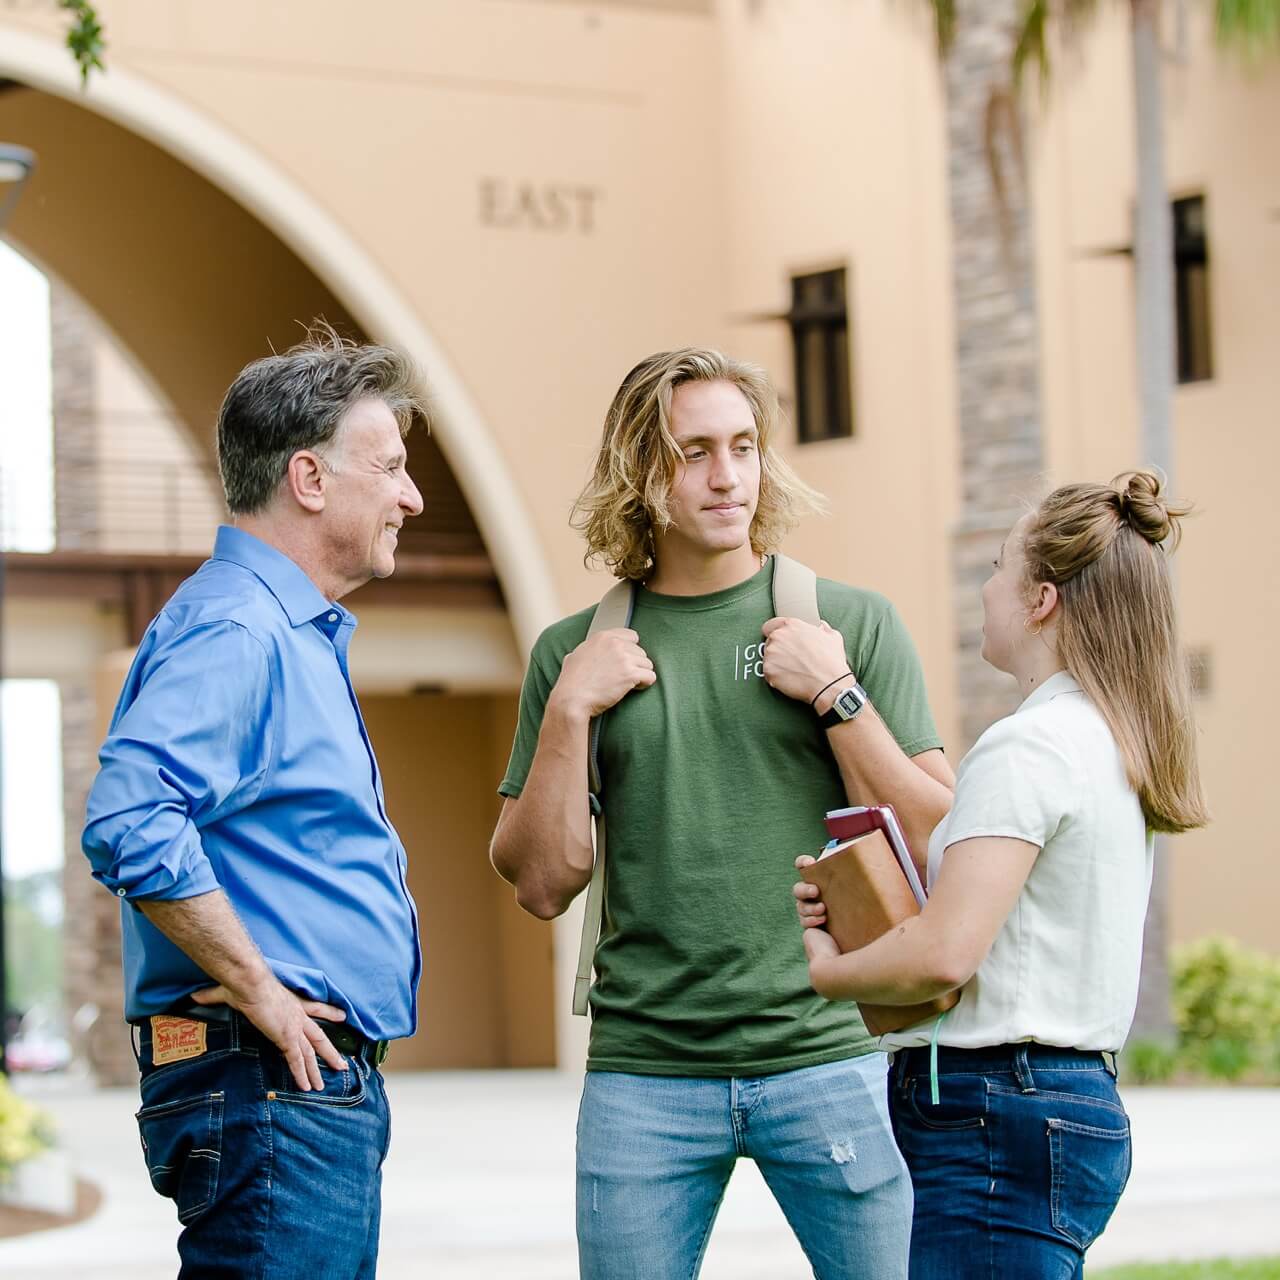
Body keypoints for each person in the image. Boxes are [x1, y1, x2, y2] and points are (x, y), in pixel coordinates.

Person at [490, 347, 955, 1280]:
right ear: (640, 472)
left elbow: (938, 834)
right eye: (694, 451)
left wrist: (837, 696)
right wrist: (570, 710)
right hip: (644, 1075)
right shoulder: (573, 652)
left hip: (830, 1053)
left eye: (743, 447)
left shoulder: (849, 625)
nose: (727, 476)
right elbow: (540, 883)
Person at [795, 470, 1209, 1279]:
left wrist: (829, 970)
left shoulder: (1028, 746)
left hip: (993, 1111)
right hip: (1061, 1101)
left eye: (997, 568)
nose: (985, 590)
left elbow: (946, 954)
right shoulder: (1107, 741)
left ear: (1042, 599)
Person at [81, 325, 427, 1279]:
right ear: (310, 480)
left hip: (287, 1086)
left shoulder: (280, 629)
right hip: (271, 1081)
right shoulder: (239, 630)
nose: (412, 495)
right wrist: (262, 989)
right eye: (389, 467)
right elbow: (129, 820)